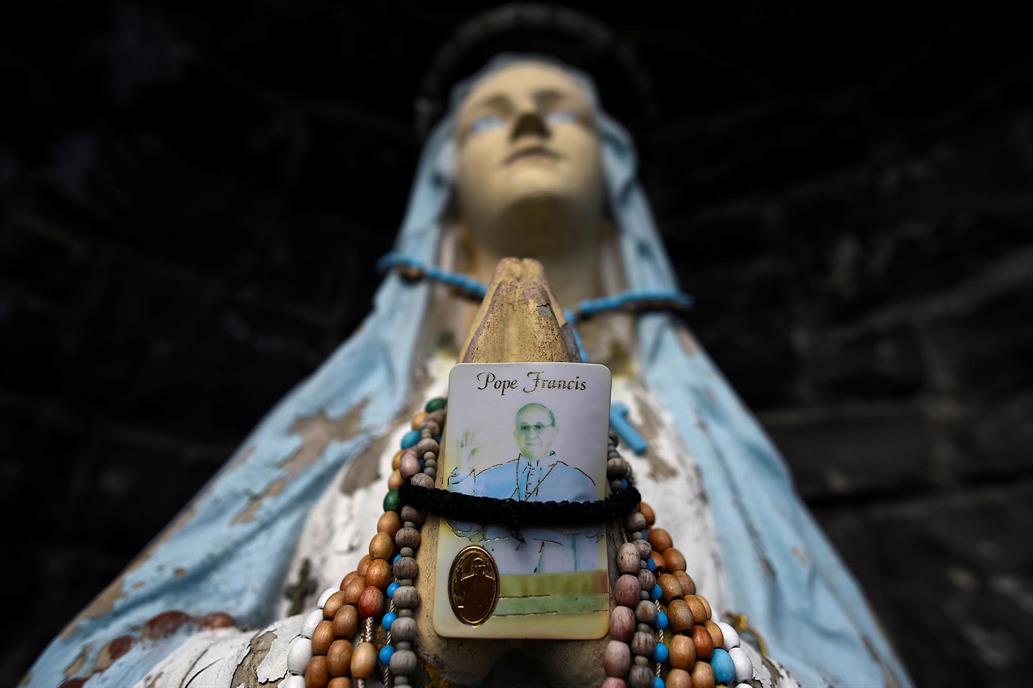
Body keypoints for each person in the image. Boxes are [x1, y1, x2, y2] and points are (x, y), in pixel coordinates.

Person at [29, 56, 913, 688]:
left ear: (615, 176)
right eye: (490, 115)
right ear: (443, 179)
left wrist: (655, 650)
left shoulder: (695, 433)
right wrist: (381, 644)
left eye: (560, 110)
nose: (528, 124)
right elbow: (100, 664)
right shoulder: (349, 420)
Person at [447, 403, 602, 575]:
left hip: (557, 582)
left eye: (539, 427)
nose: (531, 434)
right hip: (500, 580)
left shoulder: (578, 482)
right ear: (516, 435)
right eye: (524, 428)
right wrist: (464, 471)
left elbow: (587, 550)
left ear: (553, 433)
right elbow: (464, 527)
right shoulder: (493, 477)